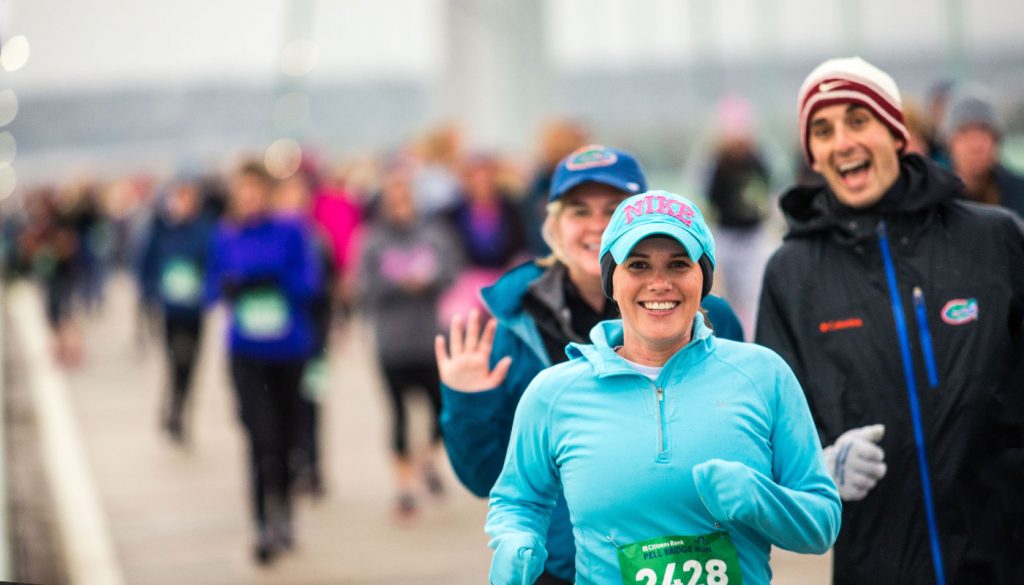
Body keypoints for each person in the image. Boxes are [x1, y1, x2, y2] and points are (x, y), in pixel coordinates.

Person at [755, 57, 1024, 585]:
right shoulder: (792, 274)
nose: (843, 142)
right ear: (813, 154)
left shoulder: (994, 240)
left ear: (894, 131)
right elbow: (773, 434)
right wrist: (821, 467)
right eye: (823, 130)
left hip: (1004, 555)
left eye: (859, 120)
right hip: (876, 563)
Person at [484, 190, 840, 585]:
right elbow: (519, 500)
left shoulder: (763, 375)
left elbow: (821, 525)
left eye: (678, 264)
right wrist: (516, 539)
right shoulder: (553, 394)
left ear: (702, 278)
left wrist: (758, 499)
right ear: (611, 281)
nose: (659, 283)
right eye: (638, 265)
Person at [436, 145, 744, 585]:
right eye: (579, 211)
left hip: (688, 562)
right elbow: (488, 479)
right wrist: (469, 403)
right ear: (554, 226)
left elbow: (743, 446)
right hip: (563, 568)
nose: (598, 225)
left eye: (614, 209)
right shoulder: (515, 322)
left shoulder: (707, 316)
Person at [204, 160, 322, 565]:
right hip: (246, 354)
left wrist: (269, 278)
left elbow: (310, 282)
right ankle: (261, 524)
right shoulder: (225, 233)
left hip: (288, 350)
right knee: (259, 438)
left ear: (267, 193)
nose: (250, 198)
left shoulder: (290, 230)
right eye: (243, 191)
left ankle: (285, 514)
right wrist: (228, 286)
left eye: (256, 190)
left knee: (287, 438)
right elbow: (210, 289)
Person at [358, 163, 461, 522]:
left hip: (430, 340)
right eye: (394, 201)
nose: (401, 208)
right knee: (398, 415)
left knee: (441, 412)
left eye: (406, 200)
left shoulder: (433, 235)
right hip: (391, 343)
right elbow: (363, 289)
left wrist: (427, 280)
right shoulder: (371, 240)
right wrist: (398, 282)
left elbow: (451, 273)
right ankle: (404, 487)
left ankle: (427, 458)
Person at [137, 176, 215, 443]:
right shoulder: (160, 231)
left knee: (191, 364)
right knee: (174, 362)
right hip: (170, 310)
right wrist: (150, 296)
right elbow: (146, 266)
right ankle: (172, 408)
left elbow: (212, 265)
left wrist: (207, 294)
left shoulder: (203, 231)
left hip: (193, 310)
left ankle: (181, 413)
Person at [942, 86, 1024, 218]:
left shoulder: (1019, 194)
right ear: (949, 142)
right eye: (965, 133)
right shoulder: (936, 200)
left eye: (984, 132)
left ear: (996, 141)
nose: (976, 145)